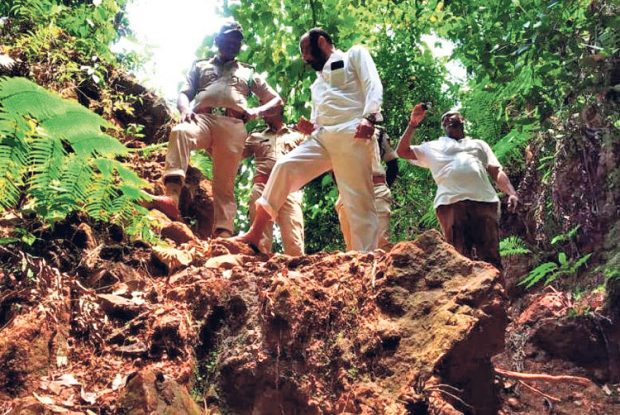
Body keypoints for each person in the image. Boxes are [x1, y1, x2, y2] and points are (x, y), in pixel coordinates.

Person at [236, 28, 383, 252]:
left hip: (351, 133)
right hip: (322, 139)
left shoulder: (353, 55)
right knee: (284, 166)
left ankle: (365, 259)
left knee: (357, 201)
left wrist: (370, 117)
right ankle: (254, 235)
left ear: (322, 41)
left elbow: (373, 84)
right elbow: (319, 119)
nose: (305, 57)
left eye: (306, 50)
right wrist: (310, 128)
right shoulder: (316, 84)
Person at [149, 21, 282, 238]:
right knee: (181, 132)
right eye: (228, 39)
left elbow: (276, 99)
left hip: (232, 125)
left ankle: (223, 232)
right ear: (217, 41)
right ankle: (172, 197)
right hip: (202, 119)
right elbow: (185, 92)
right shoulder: (200, 66)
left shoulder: (249, 73)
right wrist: (184, 109)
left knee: (224, 181)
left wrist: (257, 111)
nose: (233, 44)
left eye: (237, 42)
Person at [396, 104, 519, 269]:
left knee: (491, 256)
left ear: (462, 120)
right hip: (451, 203)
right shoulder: (433, 146)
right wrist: (412, 124)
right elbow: (402, 151)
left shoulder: (479, 144)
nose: (447, 119)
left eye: (452, 115)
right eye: (444, 119)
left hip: (484, 201)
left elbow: (496, 171)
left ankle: (497, 293)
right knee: (459, 258)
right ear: (443, 127)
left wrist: (511, 193)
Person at [243, 105, 305, 255]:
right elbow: (232, 154)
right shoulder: (255, 136)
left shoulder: (297, 135)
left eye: (267, 108)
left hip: (288, 190)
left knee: (294, 241)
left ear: (278, 109)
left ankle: (295, 275)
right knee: (259, 244)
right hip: (261, 187)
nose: (263, 113)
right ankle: (259, 275)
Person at [335, 126, 398, 250]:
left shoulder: (378, 131)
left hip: (376, 189)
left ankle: (381, 269)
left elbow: (393, 166)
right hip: (348, 191)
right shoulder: (335, 129)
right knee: (353, 247)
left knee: (381, 243)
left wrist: (383, 187)